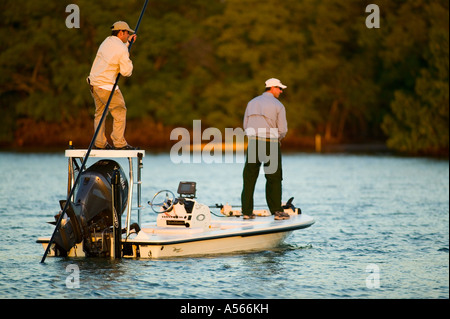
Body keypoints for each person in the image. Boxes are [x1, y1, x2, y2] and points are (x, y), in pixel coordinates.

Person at [241, 78, 290, 220]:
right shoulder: (278, 105)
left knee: (249, 178)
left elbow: (245, 125)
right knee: (274, 178)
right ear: (272, 88)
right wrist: (277, 139)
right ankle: (277, 212)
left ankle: (247, 212)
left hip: (254, 143)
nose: (281, 91)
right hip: (271, 143)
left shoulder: (251, 103)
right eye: (280, 88)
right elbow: (282, 130)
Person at [88, 21, 138, 150]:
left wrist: (128, 44)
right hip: (106, 87)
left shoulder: (107, 41)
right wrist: (128, 55)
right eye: (127, 33)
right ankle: (119, 143)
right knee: (120, 111)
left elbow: (115, 52)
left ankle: (99, 143)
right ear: (121, 32)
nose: (128, 35)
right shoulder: (121, 50)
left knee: (100, 113)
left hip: (94, 84)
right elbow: (127, 72)